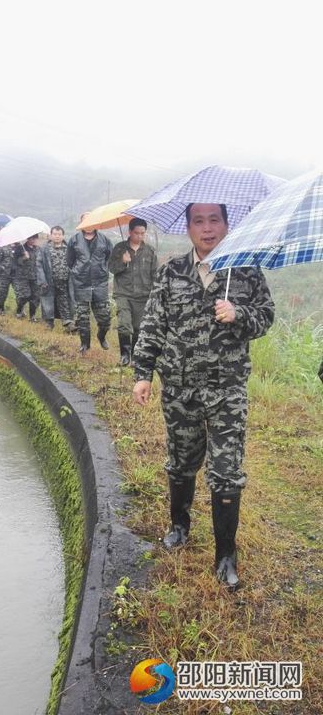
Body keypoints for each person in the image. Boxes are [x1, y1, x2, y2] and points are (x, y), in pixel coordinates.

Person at [132, 203, 275, 591]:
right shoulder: (172, 271)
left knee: (226, 471)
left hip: (226, 390)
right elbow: (153, 324)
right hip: (180, 389)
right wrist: (143, 374)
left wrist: (239, 314)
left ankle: (225, 555)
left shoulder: (244, 270)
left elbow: (266, 316)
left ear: (227, 225)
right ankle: (179, 526)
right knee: (181, 462)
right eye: (199, 221)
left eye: (215, 220)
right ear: (188, 226)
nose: (207, 229)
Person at [109, 218, 159, 365]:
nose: (140, 236)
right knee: (124, 325)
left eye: (143, 233)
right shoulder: (119, 248)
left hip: (143, 295)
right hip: (123, 293)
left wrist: (155, 294)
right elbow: (111, 268)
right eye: (137, 233)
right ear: (130, 232)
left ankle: (134, 356)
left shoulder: (150, 251)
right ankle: (124, 356)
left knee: (138, 328)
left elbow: (155, 274)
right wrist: (122, 262)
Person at [67, 215, 113, 353]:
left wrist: (103, 269)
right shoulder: (74, 240)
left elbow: (110, 258)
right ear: (81, 223)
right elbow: (70, 261)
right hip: (81, 284)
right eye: (85, 221)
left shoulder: (105, 240)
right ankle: (85, 344)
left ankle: (101, 336)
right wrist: (78, 271)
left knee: (105, 318)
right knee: (82, 318)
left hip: (100, 284)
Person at [36, 225, 76, 332]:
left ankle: (68, 324)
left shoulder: (69, 249)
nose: (57, 236)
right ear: (51, 235)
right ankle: (48, 323)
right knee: (48, 302)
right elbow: (39, 265)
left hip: (65, 282)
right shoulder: (44, 249)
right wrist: (42, 280)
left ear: (63, 236)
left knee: (65, 302)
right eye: (55, 234)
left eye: (59, 234)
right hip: (49, 282)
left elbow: (74, 264)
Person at [13, 234, 40, 320]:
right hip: (23, 277)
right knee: (25, 296)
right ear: (28, 239)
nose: (33, 240)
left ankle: (32, 316)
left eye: (35, 238)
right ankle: (19, 310)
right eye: (31, 238)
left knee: (35, 297)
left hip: (35, 276)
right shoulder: (20, 248)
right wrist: (24, 257)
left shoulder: (38, 249)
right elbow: (15, 262)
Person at [0, 243, 15, 315]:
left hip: (16, 275)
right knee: (2, 293)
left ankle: (20, 310)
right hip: (4, 275)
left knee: (21, 294)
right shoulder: (2, 247)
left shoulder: (20, 247)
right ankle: (1, 308)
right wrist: (2, 268)